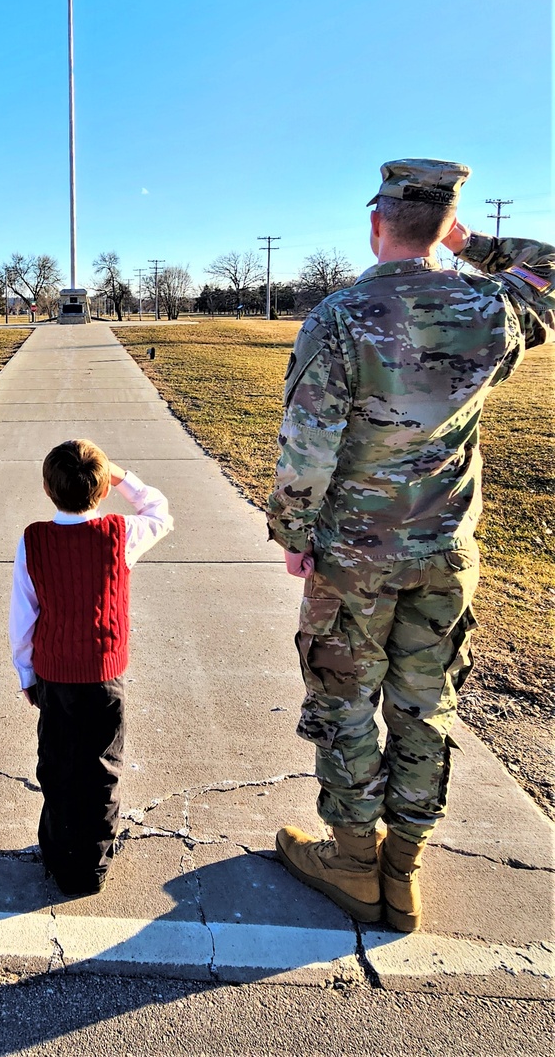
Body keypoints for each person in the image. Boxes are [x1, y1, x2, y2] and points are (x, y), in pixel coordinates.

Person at [266, 159, 555, 932]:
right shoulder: (491, 309)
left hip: (355, 556)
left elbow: (308, 443)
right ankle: (405, 870)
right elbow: (553, 275)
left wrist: (294, 534)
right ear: (446, 227)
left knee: (345, 701)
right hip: (446, 549)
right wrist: (476, 247)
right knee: (428, 705)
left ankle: (356, 861)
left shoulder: (341, 315)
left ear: (376, 223)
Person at [9, 439, 174, 896]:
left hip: (54, 675)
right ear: (102, 492)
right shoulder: (121, 535)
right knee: (102, 770)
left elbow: (23, 615)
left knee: (58, 764)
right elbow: (160, 510)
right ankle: (91, 865)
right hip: (104, 676)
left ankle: (59, 853)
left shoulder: (34, 539)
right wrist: (122, 476)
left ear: (47, 489)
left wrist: (27, 672)